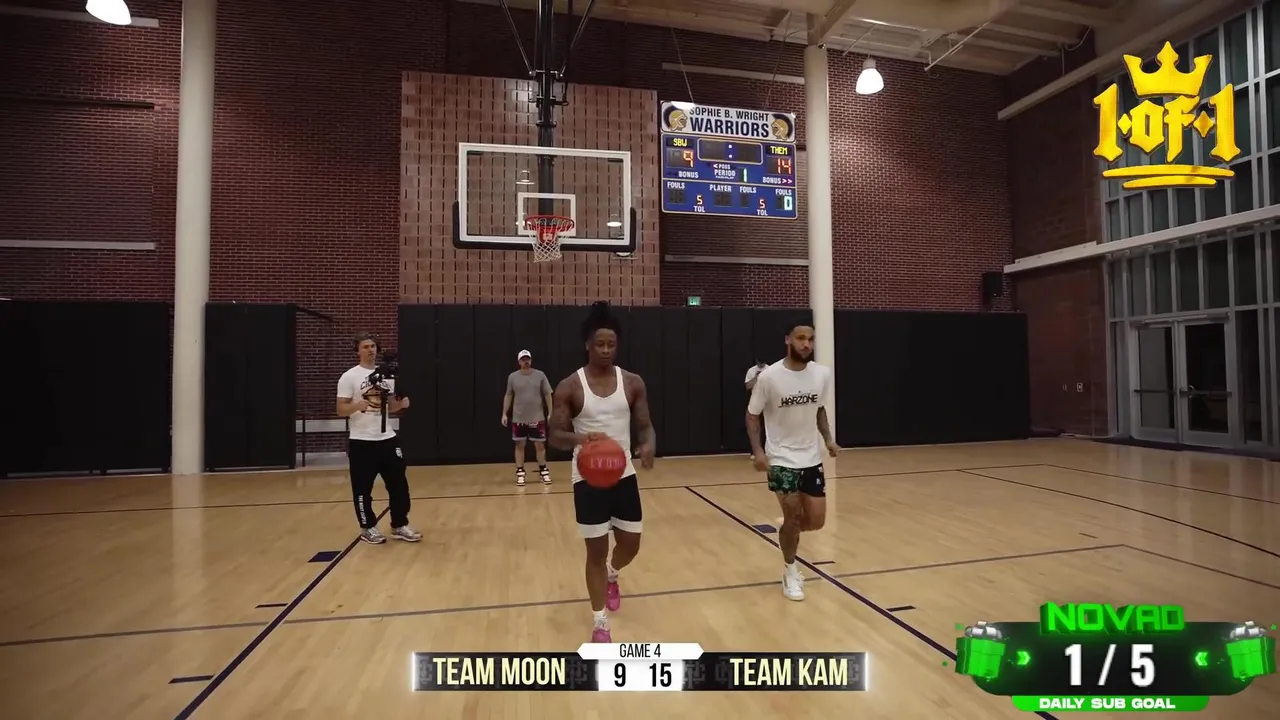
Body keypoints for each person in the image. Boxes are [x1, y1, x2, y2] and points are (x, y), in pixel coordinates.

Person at [548, 301, 656, 642]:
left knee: (631, 545)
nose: (606, 350)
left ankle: (613, 573)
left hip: (623, 475)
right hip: (588, 478)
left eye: (611, 344)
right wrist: (580, 438)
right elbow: (555, 435)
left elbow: (645, 425)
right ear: (588, 345)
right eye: (600, 344)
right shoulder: (570, 386)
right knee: (594, 551)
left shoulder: (633, 382)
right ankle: (599, 623)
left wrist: (649, 445)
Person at [746, 323, 839, 601]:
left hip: (811, 457)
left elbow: (819, 410)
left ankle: (787, 530)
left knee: (816, 521)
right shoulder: (769, 377)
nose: (806, 344)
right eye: (800, 338)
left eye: (810, 339)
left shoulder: (822, 374)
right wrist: (758, 452)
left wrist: (829, 440)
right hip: (781, 457)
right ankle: (790, 571)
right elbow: (752, 415)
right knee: (793, 515)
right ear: (788, 340)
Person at [336, 333, 422, 545]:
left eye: (373, 346)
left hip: (387, 438)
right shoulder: (349, 377)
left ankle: (399, 524)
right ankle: (368, 527)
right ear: (358, 350)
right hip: (361, 441)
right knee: (362, 488)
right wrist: (356, 406)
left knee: (399, 485)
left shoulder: (385, 375)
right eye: (365, 347)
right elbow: (340, 409)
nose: (370, 350)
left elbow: (389, 406)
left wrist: (401, 405)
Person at [502, 349, 554, 486]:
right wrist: (504, 413)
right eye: (523, 359)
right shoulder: (513, 377)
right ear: (519, 361)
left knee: (540, 445)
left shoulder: (540, 375)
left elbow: (548, 394)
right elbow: (508, 395)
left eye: (527, 359)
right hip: (519, 418)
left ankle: (543, 471)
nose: (526, 362)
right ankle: (520, 472)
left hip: (537, 417)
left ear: (530, 360)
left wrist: (550, 412)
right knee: (519, 445)